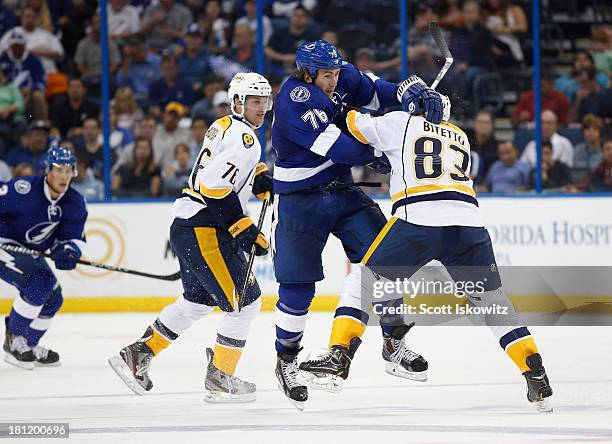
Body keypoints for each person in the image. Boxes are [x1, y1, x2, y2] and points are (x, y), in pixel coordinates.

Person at [299, 97, 554, 413]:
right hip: (469, 225)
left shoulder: (400, 122)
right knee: (494, 303)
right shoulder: (459, 134)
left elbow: (353, 123)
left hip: (419, 219)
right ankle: (534, 369)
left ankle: (339, 354)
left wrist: (349, 105)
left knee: (362, 283)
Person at [271, 40, 446, 408]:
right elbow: (342, 149)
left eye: (335, 72)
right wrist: (385, 147)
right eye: (326, 75)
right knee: (297, 288)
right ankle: (286, 361)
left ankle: (393, 343)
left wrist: (413, 94)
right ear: (306, 73)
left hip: (342, 191)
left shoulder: (344, 75)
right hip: (300, 202)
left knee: (388, 259)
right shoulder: (294, 99)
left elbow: (382, 94)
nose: (333, 80)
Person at [108, 72, 274, 402]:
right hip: (205, 227)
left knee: (197, 303)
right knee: (245, 302)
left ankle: (137, 355)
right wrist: (242, 229)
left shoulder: (225, 126)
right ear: (238, 102)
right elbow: (214, 188)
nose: (261, 108)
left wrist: (258, 174)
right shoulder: (246, 138)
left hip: (188, 224)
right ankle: (221, 377)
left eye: (264, 101)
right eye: (254, 101)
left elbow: (221, 168)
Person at [0, 147, 87, 369]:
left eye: (69, 171)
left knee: (53, 299)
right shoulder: (24, 189)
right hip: (4, 244)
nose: (64, 177)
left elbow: (72, 238)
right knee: (41, 283)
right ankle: (14, 340)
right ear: (47, 170)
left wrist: (68, 252)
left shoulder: (74, 202)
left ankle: (27, 344)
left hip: (29, 253)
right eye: (59, 170)